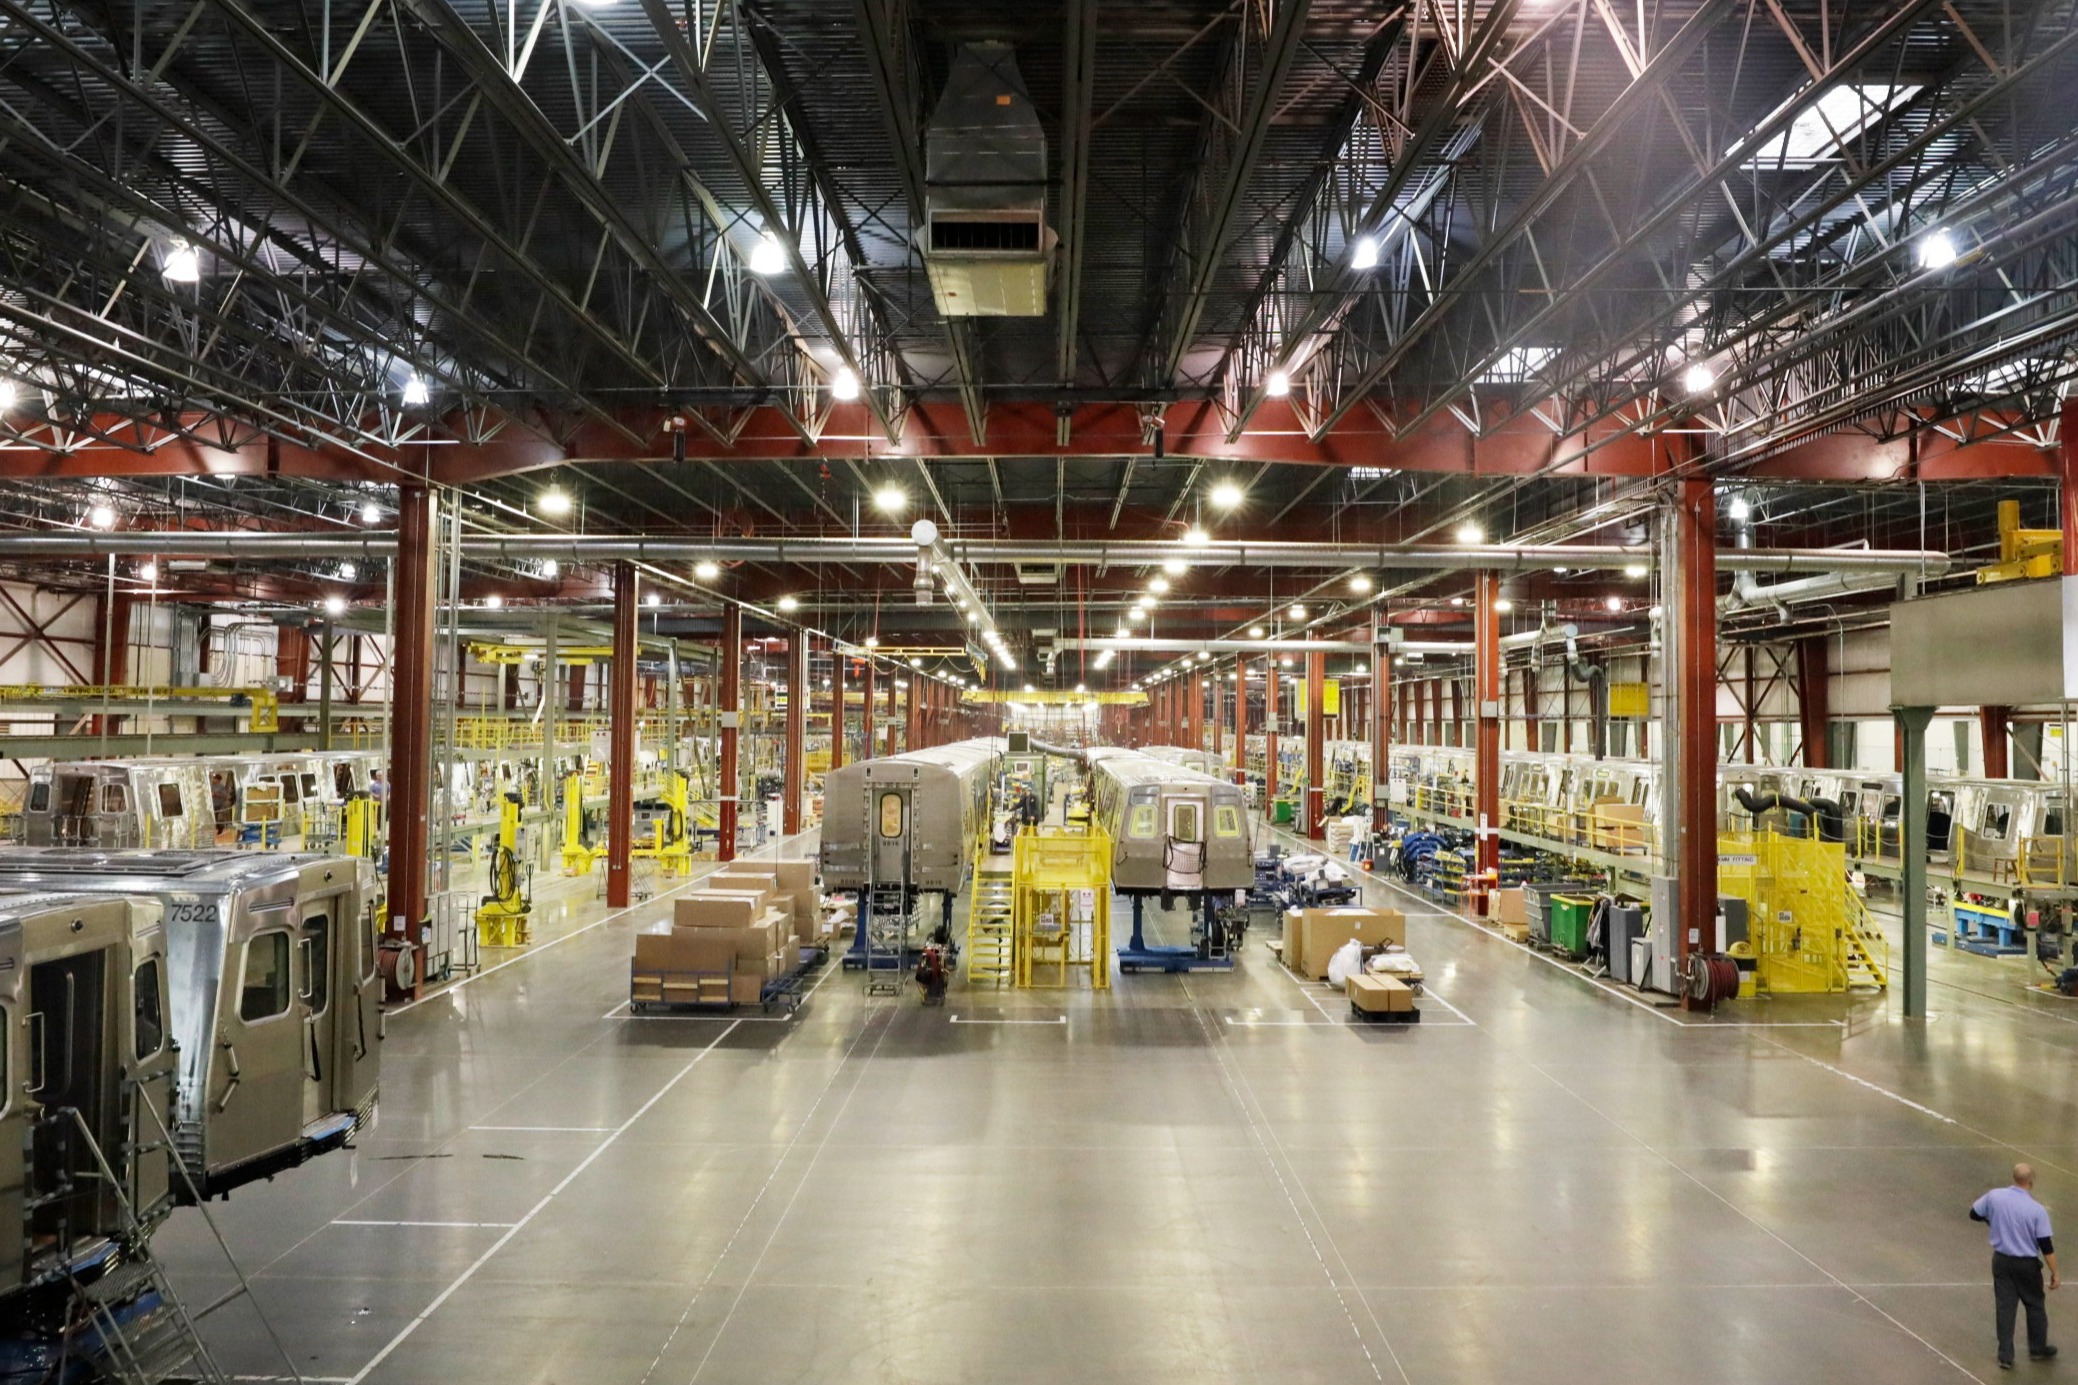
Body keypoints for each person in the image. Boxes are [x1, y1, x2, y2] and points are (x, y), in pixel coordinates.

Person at [1973, 1163, 2060, 1368]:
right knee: (2035, 1304)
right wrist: (2055, 1272)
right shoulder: (2036, 1210)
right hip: (2027, 1264)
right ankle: (2037, 1348)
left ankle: (2005, 1355)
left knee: (2005, 1307)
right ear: (2031, 1182)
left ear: (2014, 1178)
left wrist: (1993, 1222)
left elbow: (1974, 1213)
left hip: (2001, 1261)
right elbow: (2046, 1245)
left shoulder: (1995, 1196)